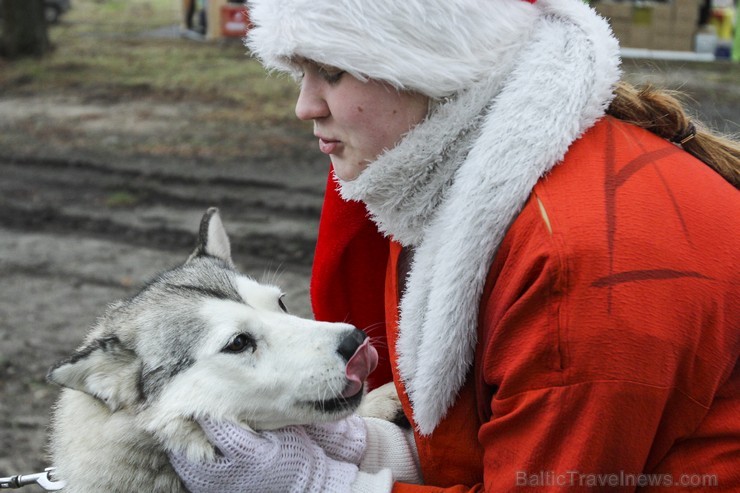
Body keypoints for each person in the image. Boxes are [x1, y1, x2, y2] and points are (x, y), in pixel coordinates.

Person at [171, 0, 740, 491]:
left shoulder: (578, 266)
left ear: (430, 66)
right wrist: (356, 447)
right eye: (300, 73)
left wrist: (317, 483)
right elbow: (472, 445)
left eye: (332, 71)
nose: (305, 105)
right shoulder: (448, 178)